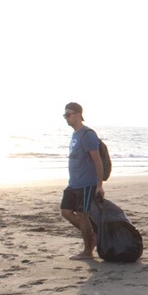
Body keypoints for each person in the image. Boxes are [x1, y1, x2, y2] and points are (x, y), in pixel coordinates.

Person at [60, 102, 105, 260]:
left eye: (69, 114)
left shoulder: (88, 135)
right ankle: (92, 237)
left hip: (86, 183)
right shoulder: (75, 134)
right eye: (64, 115)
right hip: (74, 183)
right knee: (65, 211)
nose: (66, 118)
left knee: (82, 214)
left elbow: (97, 161)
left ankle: (88, 251)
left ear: (78, 114)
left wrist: (99, 185)